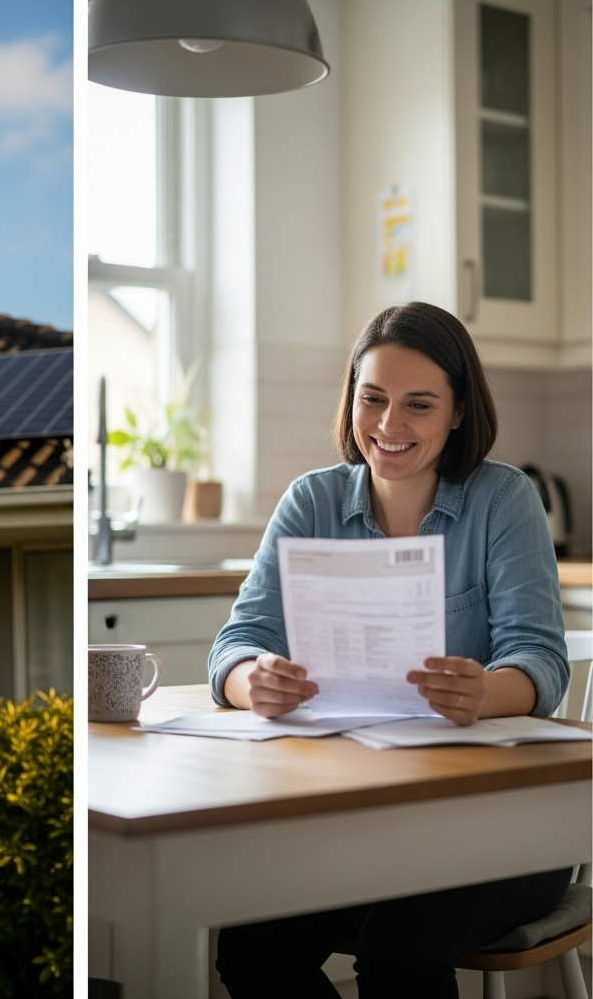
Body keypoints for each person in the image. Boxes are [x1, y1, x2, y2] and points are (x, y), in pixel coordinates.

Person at [207, 302, 571, 999]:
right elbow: (237, 640)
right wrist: (254, 680)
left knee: (400, 956)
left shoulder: (504, 499)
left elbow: (541, 664)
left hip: (505, 824)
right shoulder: (310, 501)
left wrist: (486, 692)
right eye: (371, 399)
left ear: (459, 412)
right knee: (252, 950)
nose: (388, 426)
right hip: (364, 822)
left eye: (419, 405)